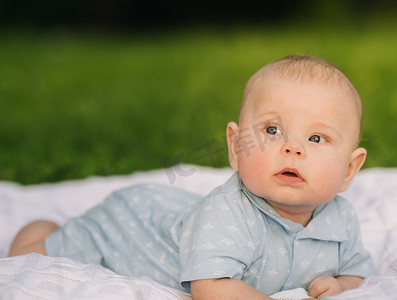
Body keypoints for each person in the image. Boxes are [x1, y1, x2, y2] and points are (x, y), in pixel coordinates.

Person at [9, 55, 375, 299]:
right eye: (273, 130)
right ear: (236, 146)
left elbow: (358, 271)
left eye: (316, 138)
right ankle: (38, 228)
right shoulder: (228, 213)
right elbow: (211, 287)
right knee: (36, 256)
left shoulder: (340, 220)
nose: (293, 148)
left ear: (348, 170)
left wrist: (339, 284)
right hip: (131, 226)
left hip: (171, 215)